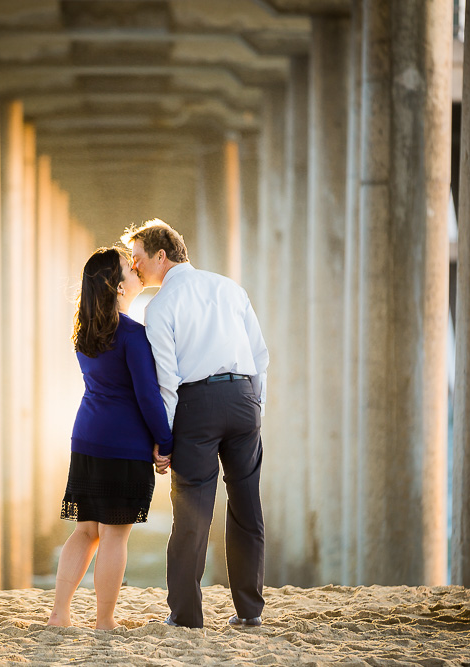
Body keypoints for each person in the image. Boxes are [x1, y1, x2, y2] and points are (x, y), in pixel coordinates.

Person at [123, 219, 269, 629]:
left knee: (192, 511)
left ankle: (186, 616)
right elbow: (260, 355)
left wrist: (163, 440)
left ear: (160, 256)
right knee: (247, 506)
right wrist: (257, 407)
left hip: (196, 405)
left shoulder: (160, 307)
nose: (133, 267)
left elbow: (167, 381)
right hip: (244, 399)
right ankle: (250, 612)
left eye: (137, 259)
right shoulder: (228, 287)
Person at [47, 246, 173, 631]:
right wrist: (165, 443)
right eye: (129, 269)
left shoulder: (84, 332)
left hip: (86, 438)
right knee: (114, 536)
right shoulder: (134, 335)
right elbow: (148, 396)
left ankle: (59, 615)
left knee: (85, 531)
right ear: (119, 288)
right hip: (125, 445)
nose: (137, 271)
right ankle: (104, 621)